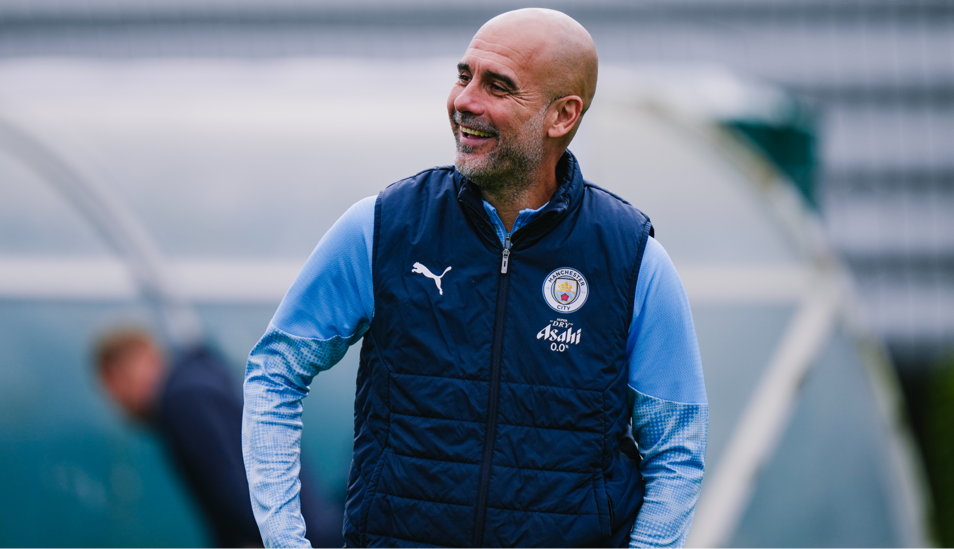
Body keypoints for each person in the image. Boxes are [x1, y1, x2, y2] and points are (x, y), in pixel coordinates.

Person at [242, 8, 708, 549]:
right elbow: (275, 372)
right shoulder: (381, 228)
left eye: (498, 86)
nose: (465, 100)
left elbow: (675, 453)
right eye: (464, 75)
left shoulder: (633, 260)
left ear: (563, 116)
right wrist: (283, 538)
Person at [94, 328, 342, 549]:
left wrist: (258, 538)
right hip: (309, 528)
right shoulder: (201, 381)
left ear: (114, 375)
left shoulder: (183, 399)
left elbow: (230, 487)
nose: (117, 402)